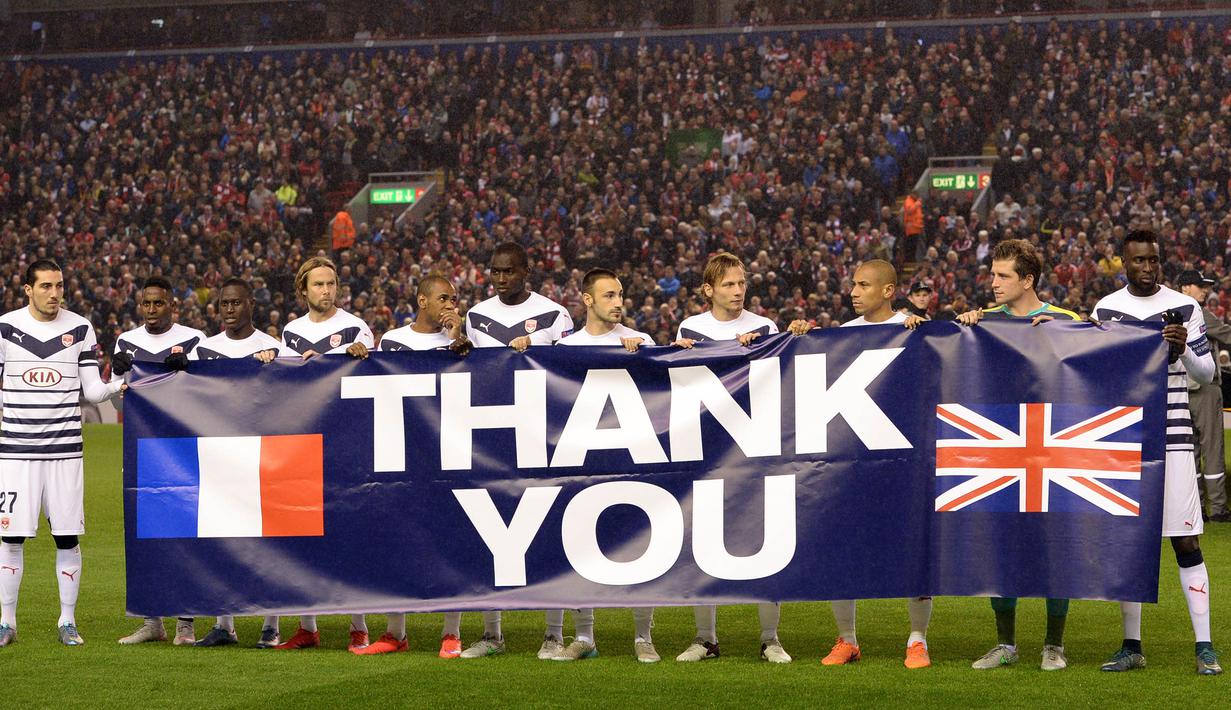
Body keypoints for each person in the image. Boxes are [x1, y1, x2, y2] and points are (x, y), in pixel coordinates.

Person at [788, 259, 934, 670]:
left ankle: (918, 640)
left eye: (864, 285)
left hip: (904, 458)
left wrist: (928, 335)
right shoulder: (841, 337)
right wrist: (803, 337)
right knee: (842, 548)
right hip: (852, 459)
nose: (853, 291)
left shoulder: (916, 329)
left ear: (888, 291)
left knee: (913, 551)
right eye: (852, 283)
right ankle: (847, 640)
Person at [1092, 230, 1222, 675]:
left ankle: (1204, 646)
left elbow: (1206, 375)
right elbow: (1097, 374)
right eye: (1139, 261)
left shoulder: (1187, 307)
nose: (1148, 268)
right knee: (1131, 541)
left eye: (1154, 260)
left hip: (1175, 436)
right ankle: (1132, 644)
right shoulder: (1106, 309)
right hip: (1125, 437)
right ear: (1123, 263)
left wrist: (1182, 348)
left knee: (1186, 540)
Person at [947, 239, 1079, 672]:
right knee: (1000, 543)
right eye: (993, 274)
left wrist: (1065, 334)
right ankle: (1006, 644)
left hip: (1052, 444)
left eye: (1004, 276)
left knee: (1053, 545)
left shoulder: (1065, 319)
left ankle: (1053, 645)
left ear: (1028, 280)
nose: (994, 282)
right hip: (1001, 444)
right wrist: (965, 328)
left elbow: (1102, 346)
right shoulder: (983, 321)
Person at [672, 251, 790, 664]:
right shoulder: (691, 328)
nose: (738, 291)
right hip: (708, 451)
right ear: (708, 290)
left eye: (742, 283)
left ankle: (770, 639)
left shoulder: (764, 326)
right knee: (702, 542)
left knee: (768, 538)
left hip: (754, 447)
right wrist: (680, 352)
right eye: (728, 284)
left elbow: (777, 380)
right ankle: (706, 639)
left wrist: (760, 351)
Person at [0, 259, 125, 647]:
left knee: (67, 537)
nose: (54, 294)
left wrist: (119, 379)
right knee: (10, 539)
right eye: (46, 287)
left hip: (66, 454)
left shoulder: (80, 328)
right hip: (16, 454)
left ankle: (67, 621)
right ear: (27, 289)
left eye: (59, 286)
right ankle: (7, 623)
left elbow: (92, 392)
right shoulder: (5, 328)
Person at [459, 242, 574, 660]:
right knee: (488, 531)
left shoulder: (555, 314)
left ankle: (554, 632)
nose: (501, 278)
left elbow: (567, 371)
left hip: (541, 435)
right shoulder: (476, 316)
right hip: (491, 433)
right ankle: (492, 633)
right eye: (495, 271)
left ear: (526, 270)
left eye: (508, 271)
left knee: (553, 531)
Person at [348, 274, 470, 658]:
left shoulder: (465, 341)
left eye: (455, 298)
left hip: (451, 451)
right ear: (421, 300)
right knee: (399, 539)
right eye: (443, 298)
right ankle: (395, 631)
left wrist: (458, 335)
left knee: (451, 541)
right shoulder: (394, 342)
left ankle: (451, 632)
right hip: (405, 452)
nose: (451, 304)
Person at [274, 256, 375, 652]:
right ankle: (307, 626)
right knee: (305, 533)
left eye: (331, 284)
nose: (326, 291)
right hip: (304, 442)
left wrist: (355, 355)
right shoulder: (292, 332)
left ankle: (359, 624)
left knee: (349, 534)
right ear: (304, 290)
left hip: (346, 440)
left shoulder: (355, 327)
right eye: (318, 285)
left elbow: (374, 369)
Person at [556, 268, 656, 662]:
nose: (619, 303)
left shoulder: (640, 340)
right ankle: (584, 637)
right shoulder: (566, 347)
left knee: (643, 543)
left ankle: (643, 637)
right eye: (610, 295)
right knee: (581, 544)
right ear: (588, 300)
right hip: (584, 456)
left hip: (633, 453)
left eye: (621, 295)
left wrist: (645, 357)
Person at [187, 278, 291, 649]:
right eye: (224, 304)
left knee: (267, 540)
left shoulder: (271, 346)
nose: (229, 310)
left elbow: (288, 397)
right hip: (219, 454)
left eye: (236, 303)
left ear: (251, 305)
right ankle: (223, 623)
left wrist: (273, 366)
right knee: (222, 538)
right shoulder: (205, 349)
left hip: (261, 455)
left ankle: (270, 623)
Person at [114, 276, 208, 646]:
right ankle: (152, 622)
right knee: (146, 539)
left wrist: (185, 372)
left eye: (159, 304)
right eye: (147, 304)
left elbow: (205, 395)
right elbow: (118, 399)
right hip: (142, 451)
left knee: (185, 536)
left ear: (173, 305)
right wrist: (119, 372)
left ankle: (186, 623)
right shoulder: (126, 342)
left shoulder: (194, 340)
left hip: (183, 451)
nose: (152, 310)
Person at [1176, 270, 1231, 523]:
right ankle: (1218, 508)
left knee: (1190, 451)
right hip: (1205, 389)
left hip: (1179, 389)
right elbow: (1225, 334)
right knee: (1213, 449)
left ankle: (1196, 506)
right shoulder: (1195, 311)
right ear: (1185, 287)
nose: (1205, 290)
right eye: (1199, 286)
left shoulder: (1168, 311)